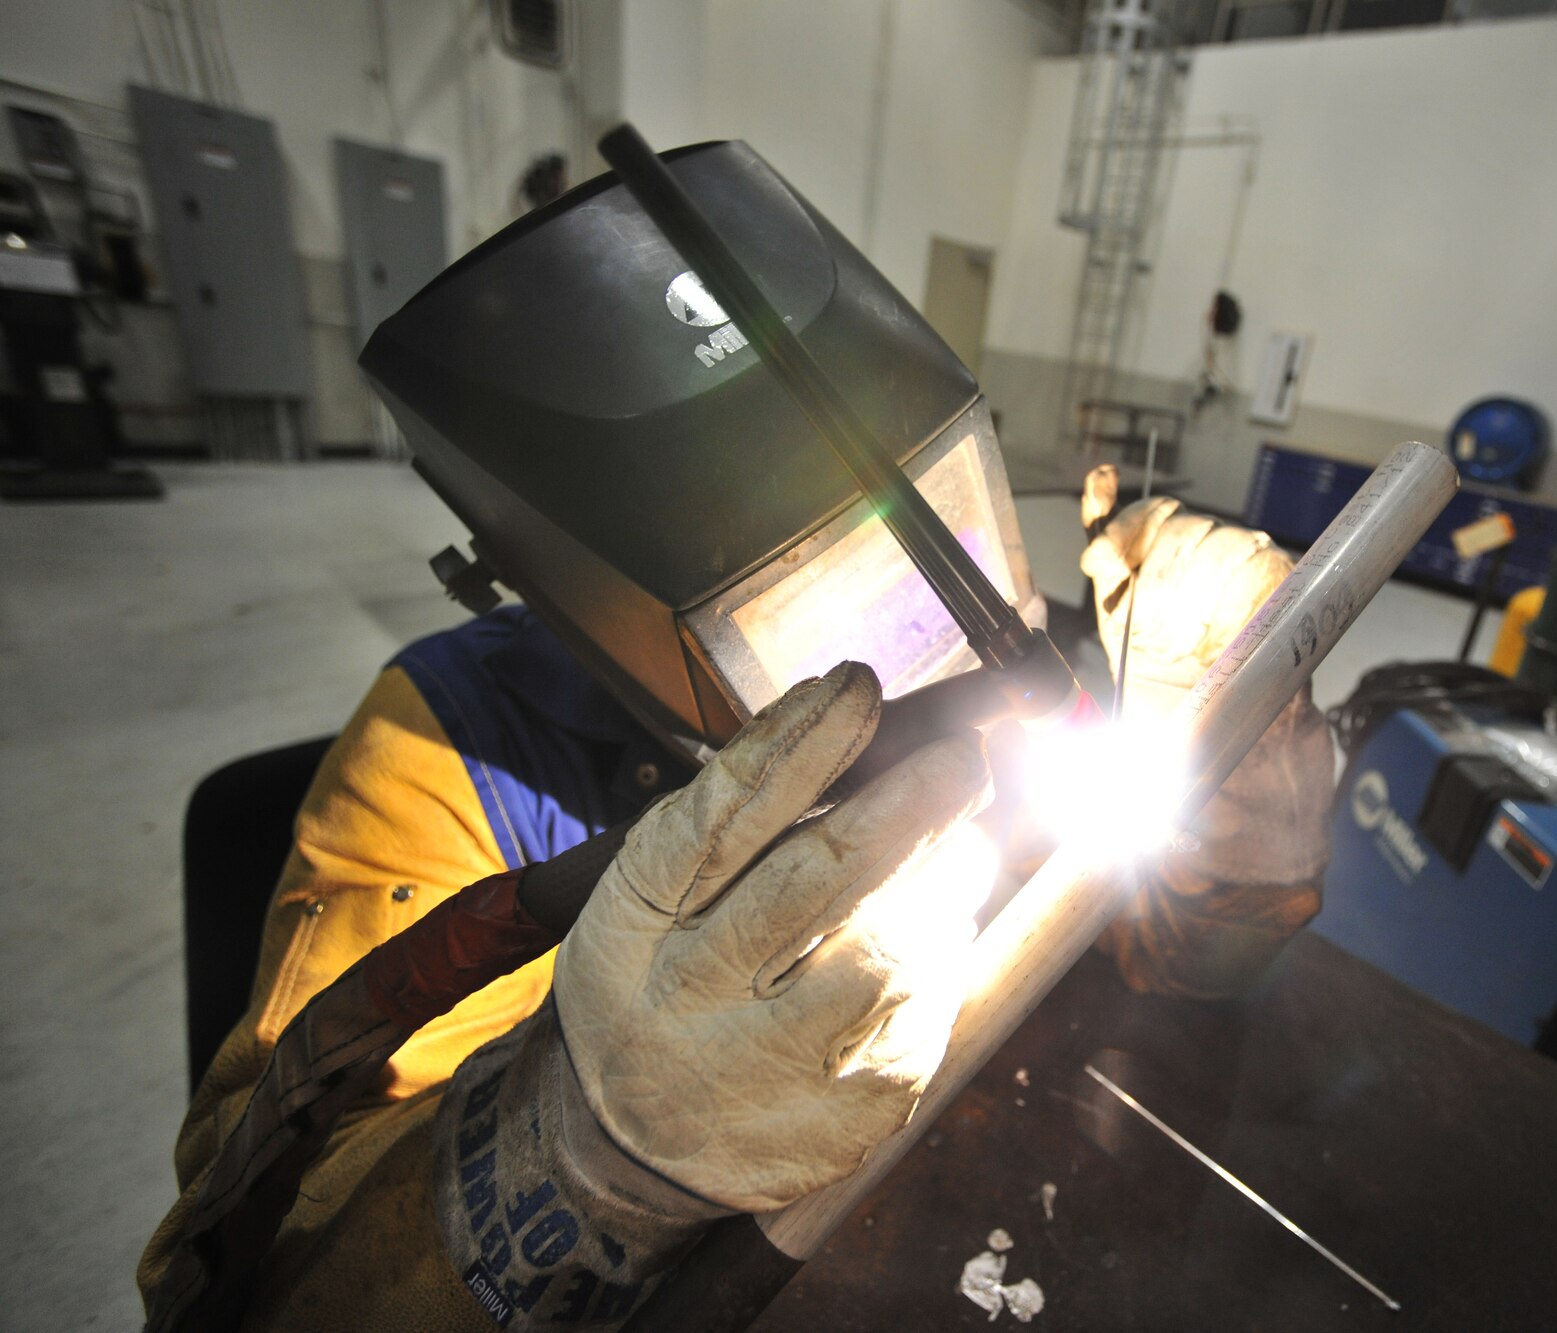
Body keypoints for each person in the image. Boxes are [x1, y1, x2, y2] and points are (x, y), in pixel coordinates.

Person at [136, 478, 1334, 1330]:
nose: (916, 662)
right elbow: (259, 1275)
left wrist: (1250, 831)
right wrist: (582, 1155)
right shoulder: (454, 744)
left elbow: (1164, 966)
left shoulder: (992, 686)